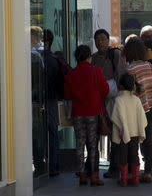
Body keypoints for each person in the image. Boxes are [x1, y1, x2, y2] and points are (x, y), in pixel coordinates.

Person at [64, 45, 109, 186]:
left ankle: (82, 175)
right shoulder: (96, 71)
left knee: (80, 143)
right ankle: (94, 176)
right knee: (92, 144)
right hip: (93, 112)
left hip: (78, 113)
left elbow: (67, 94)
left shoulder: (71, 74)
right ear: (89, 56)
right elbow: (105, 90)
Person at [92, 29, 127, 178]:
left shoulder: (115, 54)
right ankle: (92, 167)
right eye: (97, 39)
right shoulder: (92, 58)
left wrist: (119, 95)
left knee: (114, 134)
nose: (100, 42)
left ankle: (115, 167)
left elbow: (121, 74)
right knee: (97, 132)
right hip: (97, 100)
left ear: (108, 40)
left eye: (103, 39)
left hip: (114, 98)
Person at [123, 38, 152, 183]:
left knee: (134, 141)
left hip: (137, 109)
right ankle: (148, 172)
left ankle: (134, 171)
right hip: (150, 105)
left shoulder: (129, 69)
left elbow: (130, 91)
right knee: (148, 140)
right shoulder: (148, 65)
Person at [111, 73, 148, 187]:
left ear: (120, 85)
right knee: (134, 154)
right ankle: (135, 179)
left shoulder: (119, 99)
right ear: (133, 85)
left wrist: (123, 127)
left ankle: (124, 179)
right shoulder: (136, 99)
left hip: (123, 133)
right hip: (135, 132)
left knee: (123, 155)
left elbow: (116, 117)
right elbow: (142, 118)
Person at [42, 29, 64, 177]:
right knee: (52, 132)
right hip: (53, 99)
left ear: (46, 42)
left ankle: (46, 165)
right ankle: (53, 165)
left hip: (44, 100)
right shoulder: (54, 58)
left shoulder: (43, 59)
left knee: (46, 133)